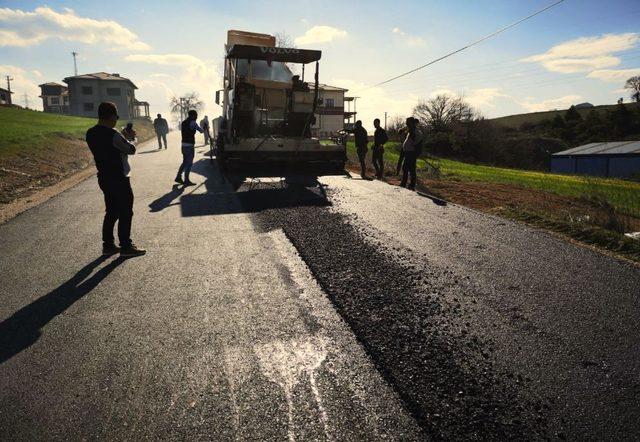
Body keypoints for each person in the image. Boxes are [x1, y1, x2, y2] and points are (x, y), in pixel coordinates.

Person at [86, 102, 146, 257]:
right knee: (126, 211)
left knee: (111, 211)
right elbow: (130, 150)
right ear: (112, 116)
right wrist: (133, 139)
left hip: (104, 176)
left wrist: (122, 137)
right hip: (119, 177)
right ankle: (126, 246)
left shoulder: (90, 133)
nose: (116, 120)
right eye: (116, 116)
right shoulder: (113, 134)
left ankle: (108, 245)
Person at [176, 109, 204, 186]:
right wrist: (204, 128)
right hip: (189, 146)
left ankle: (178, 176)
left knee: (185, 162)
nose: (197, 117)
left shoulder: (184, 122)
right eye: (196, 115)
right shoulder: (193, 123)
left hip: (183, 145)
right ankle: (186, 180)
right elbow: (201, 131)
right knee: (189, 163)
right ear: (193, 115)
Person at [397, 117, 422, 190]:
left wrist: (412, 137)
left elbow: (417, 141)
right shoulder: (410, 129)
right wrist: (402, 130)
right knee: (406, 168)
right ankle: (405, 183)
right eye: (406, 122)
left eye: (407, 122)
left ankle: (411, 185)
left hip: (412, 153)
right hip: (408, 152)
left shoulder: (416, 131)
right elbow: (401, 130)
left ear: (411, 123)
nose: (406, 123)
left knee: (410, 169)